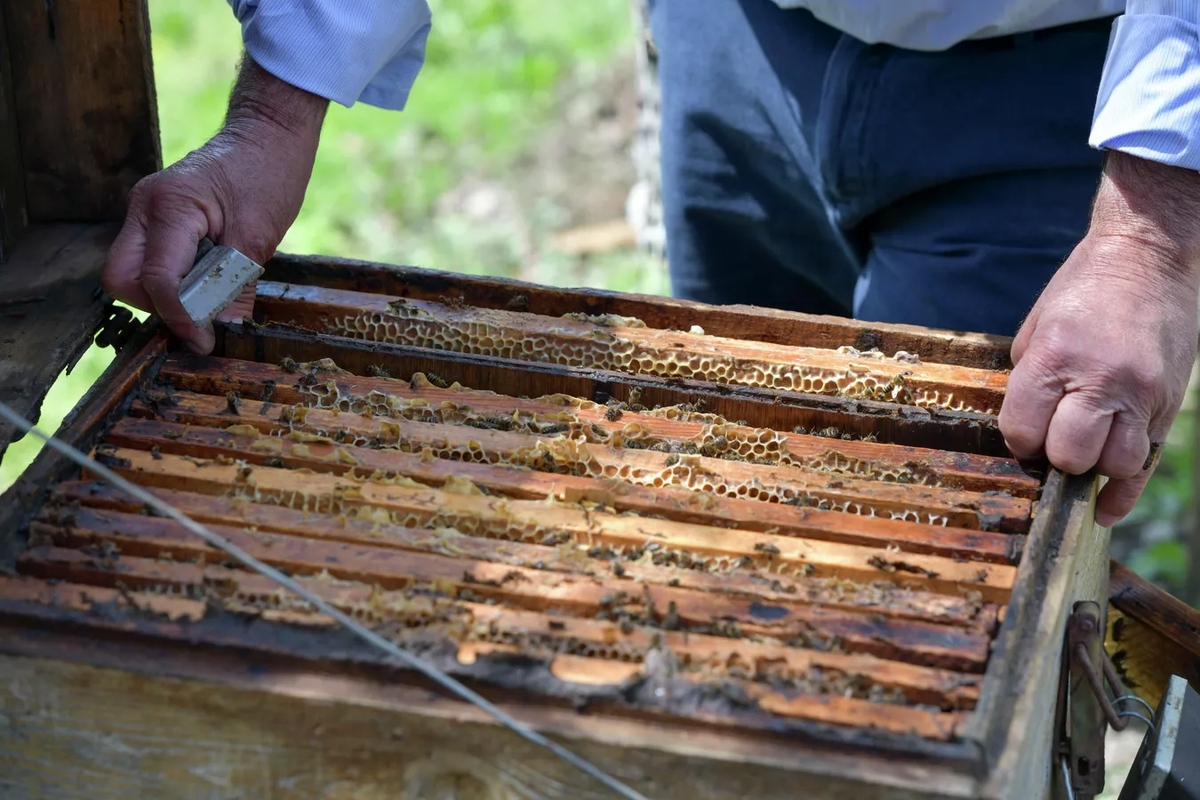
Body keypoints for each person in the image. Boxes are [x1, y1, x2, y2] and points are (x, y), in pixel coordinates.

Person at [102, 1, 1200, 529]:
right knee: (725, 506)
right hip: (743, 33)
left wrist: (1152, 234)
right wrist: (271, 115)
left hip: (1071, 74)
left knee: (951, 546)